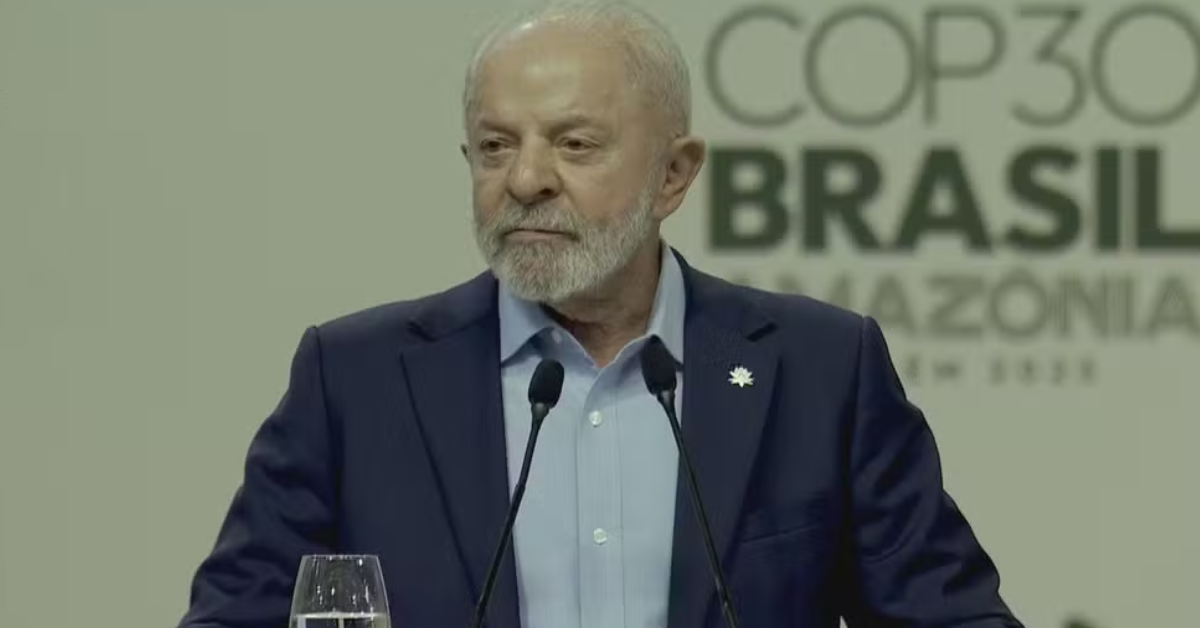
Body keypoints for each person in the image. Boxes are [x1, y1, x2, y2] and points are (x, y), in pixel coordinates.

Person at [177, 2, 1024, 627]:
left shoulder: (820, 369)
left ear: (673, 175)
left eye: (574, 144)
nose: (525, 179)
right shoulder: (354, 382)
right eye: (495, 146)